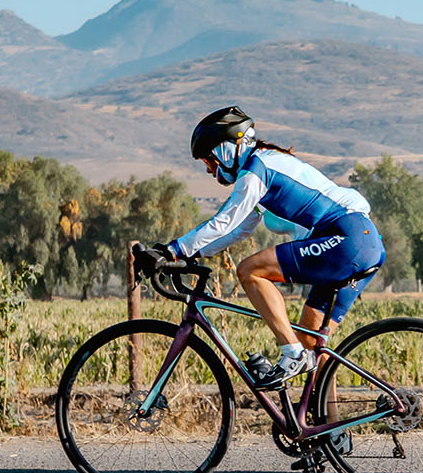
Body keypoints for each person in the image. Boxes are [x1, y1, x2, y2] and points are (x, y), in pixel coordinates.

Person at [137, 106, 384, 388]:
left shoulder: (257, 170)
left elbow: (224, 221)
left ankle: (291, 354)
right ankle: (329, 416)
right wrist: (192, 254)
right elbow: (237, 231)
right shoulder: (266, 165)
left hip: (346, 239)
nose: (209, 170)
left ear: (225, 149)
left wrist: (172, 250)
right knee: (311, 340)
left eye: (209, 161)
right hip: (364, 241)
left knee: (250, 271)